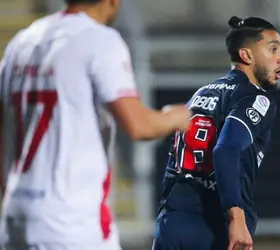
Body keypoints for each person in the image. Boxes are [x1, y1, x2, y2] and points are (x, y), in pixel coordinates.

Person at [0, 0, 191, 249]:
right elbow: (139, 125)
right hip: (71, 224)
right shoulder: (99, 40)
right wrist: (175, 117)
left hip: (15, 219)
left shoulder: (21, 42)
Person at [153, 16, 280, 250]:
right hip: (213, 225)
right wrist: (237, 217)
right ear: (247, 55)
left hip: (172, 221)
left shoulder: (201, 93)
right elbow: (226, 148)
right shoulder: (254, 97)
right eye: (273, 49)